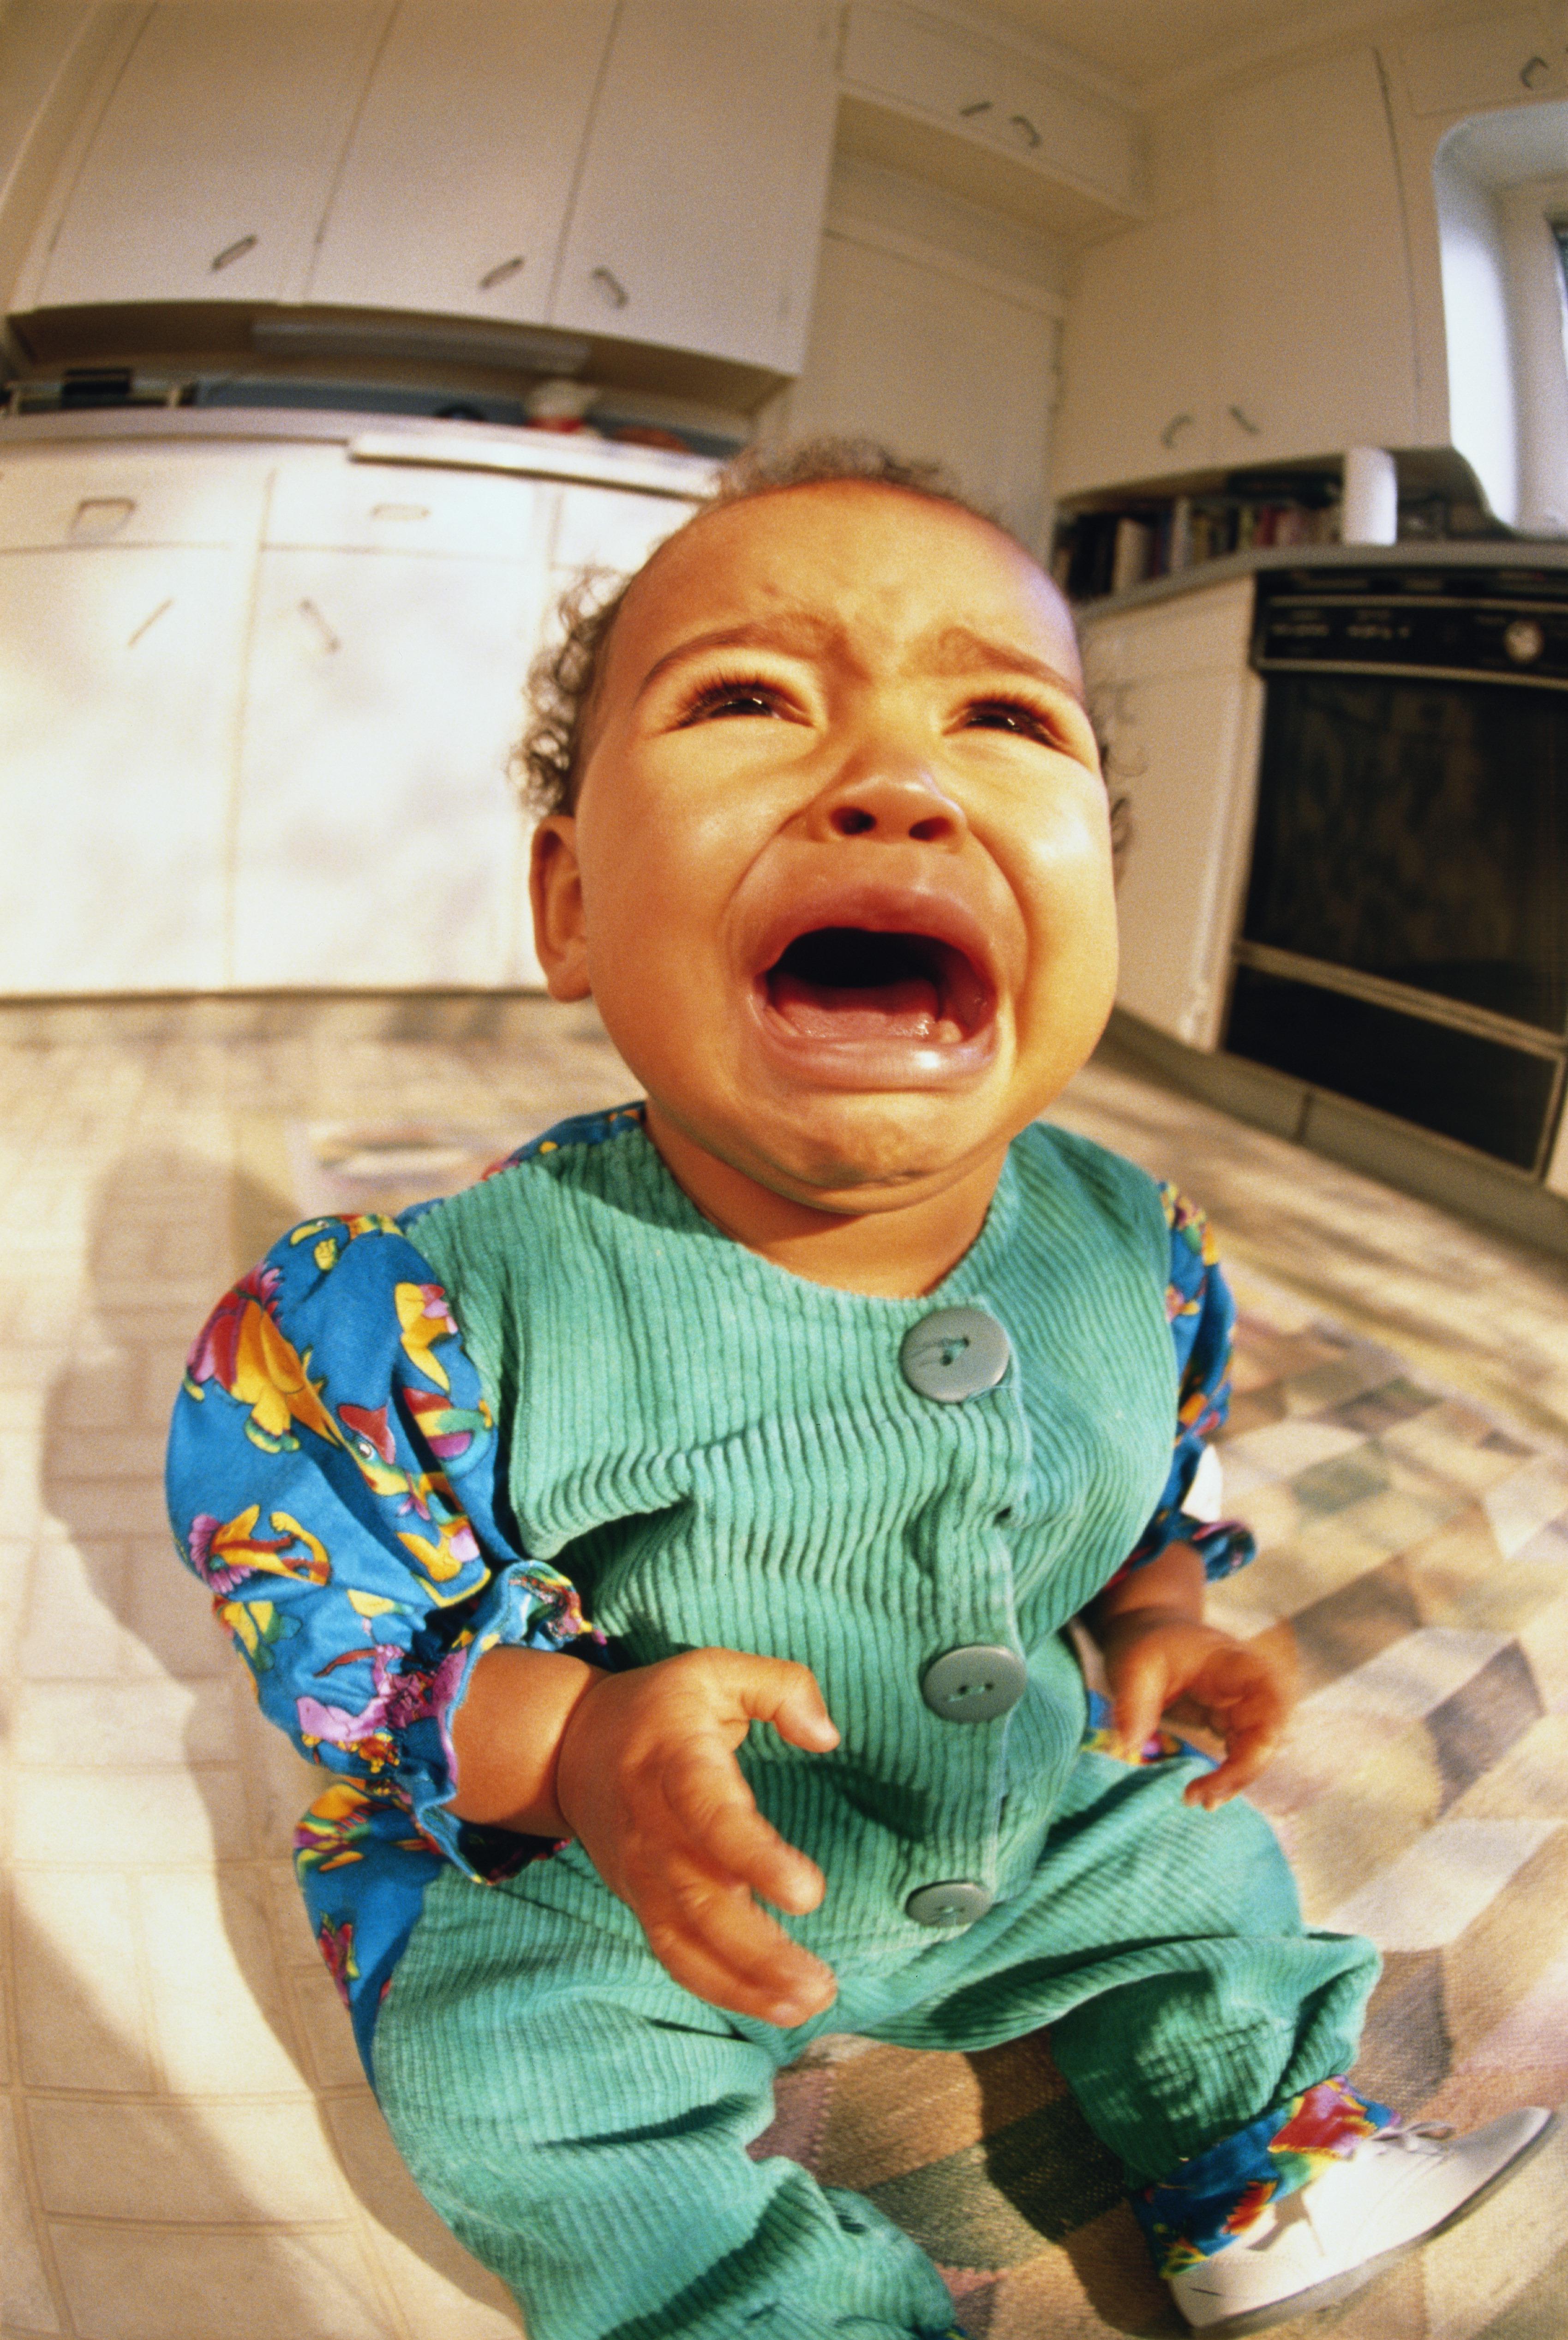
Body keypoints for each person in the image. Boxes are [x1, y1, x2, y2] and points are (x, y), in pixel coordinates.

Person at [166, 441, 1551, 2340]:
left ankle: (1256, 2153)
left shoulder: (1125, 1243)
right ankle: (774, 2306)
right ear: (570, 903)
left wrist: (1157, 1609)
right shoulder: (435, 1306)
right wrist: (567, 1744)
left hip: (1009, 1801)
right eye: (751, 699)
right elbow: (333, 1623)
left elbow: (1152, 1468)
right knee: (513, 2071)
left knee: (1200, 1860)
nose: (896, 785)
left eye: (1001, 717)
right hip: (620, 1867)